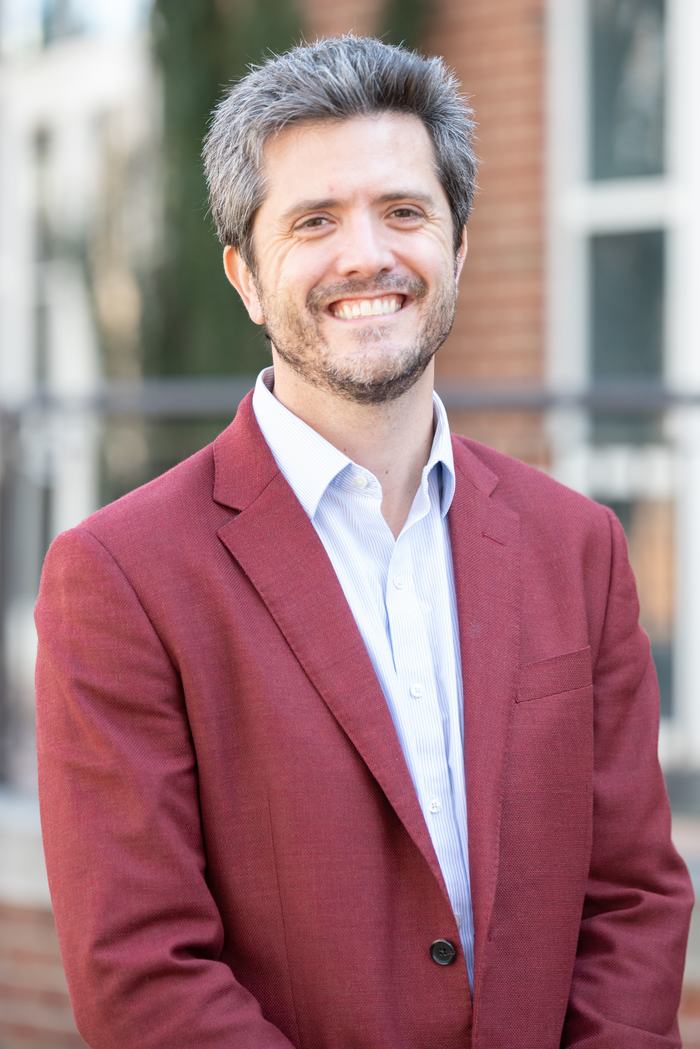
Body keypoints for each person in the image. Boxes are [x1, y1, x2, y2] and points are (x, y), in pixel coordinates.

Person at [35, 34, 692, 1049]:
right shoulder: (121, 577)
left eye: (404, 211)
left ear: (457, 246)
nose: (367, 255)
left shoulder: (580, 547)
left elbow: (632, 898)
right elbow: (142, 971)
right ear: (246, 277)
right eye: (314, 221)